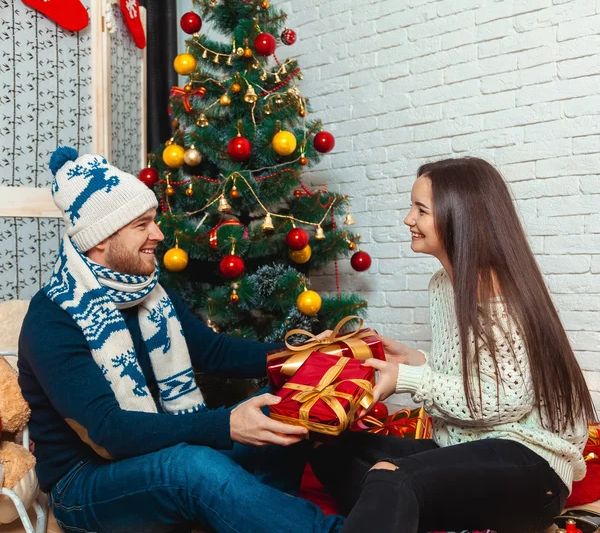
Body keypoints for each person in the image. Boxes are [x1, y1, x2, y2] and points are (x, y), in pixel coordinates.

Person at [18, 147, 344, 533]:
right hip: (84, 482)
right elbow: (110, 431)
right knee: (192, 467)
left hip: (157, 447)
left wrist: (300, 356)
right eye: (142, 225)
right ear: (100, 239)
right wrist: (224, 426)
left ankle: (260, 517)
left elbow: (213, 350)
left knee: (282, 409)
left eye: (153, 221)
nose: (158, 234)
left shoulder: (148, 288)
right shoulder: (53, 316)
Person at [310, 157, 595, 533]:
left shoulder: (494, 292)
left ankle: (392, 507)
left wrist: (411, 379)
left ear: (458, 216)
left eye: (421, 210)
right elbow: (470, 371)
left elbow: (506, 399)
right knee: (326, 445)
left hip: (531, 466)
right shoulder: (444, 284)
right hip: (465, 446)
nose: (408, 219)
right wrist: (410, 359)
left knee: (393, 479)